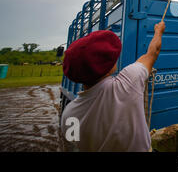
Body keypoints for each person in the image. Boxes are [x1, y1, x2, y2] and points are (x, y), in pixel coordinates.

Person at [61, 21, 165, 152]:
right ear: (108, 67)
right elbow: (153, 52)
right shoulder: (127, 83)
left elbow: (73, 148)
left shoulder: (69, 115)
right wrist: (158, 32)